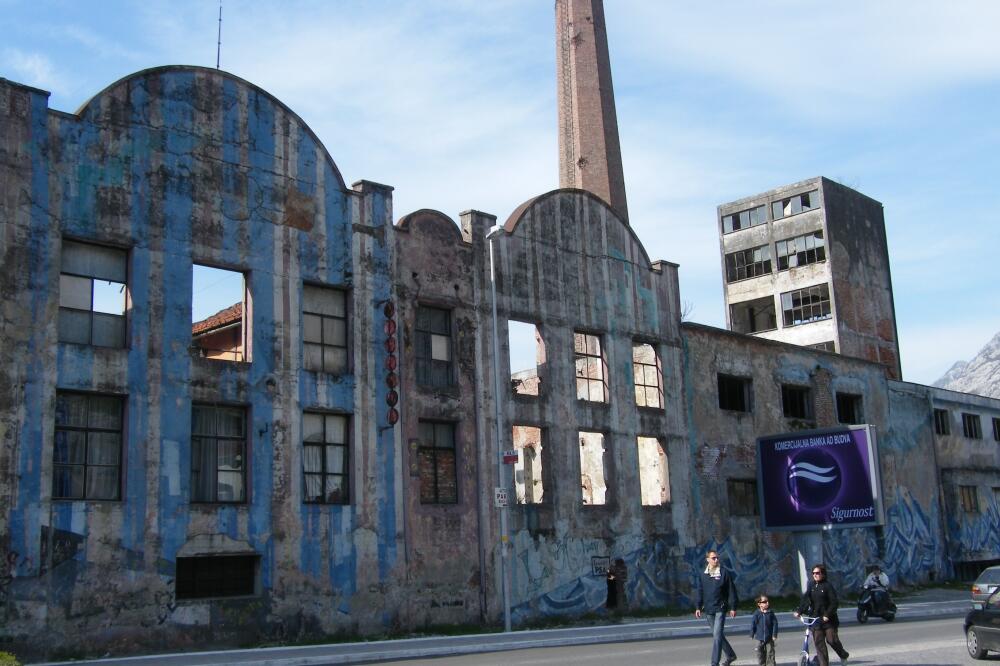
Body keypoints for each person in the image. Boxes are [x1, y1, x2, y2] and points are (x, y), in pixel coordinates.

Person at [794, 564, 850, 666]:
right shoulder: (811, 585)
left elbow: (834, 603)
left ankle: (843, 655)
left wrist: (827, 614)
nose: (815, 575)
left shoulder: (828, 586)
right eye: (813, 573)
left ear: (823, 574)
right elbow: (806, 599)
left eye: (817, 573)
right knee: (819, 645)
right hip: (815, 619)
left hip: (828, 620)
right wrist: (799, 611)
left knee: (832, 640)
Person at [695, 550, 739, 666]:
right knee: (717, 635)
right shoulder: (703, 574)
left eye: (717, 558)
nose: (716, 560)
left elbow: (731, 590)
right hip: (708, 609)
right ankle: (730, 655)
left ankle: (714, 663)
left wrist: (733, 607)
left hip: (720, 608)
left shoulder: (724, 573)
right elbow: (700, 591)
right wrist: (698, 607)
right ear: (707, 559)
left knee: (717, 636)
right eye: (713, 558)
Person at [749, 594, 778, 666]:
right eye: (764, 602)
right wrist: (752, 634)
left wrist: (774, 635)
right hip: (759, 638)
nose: (767, 603)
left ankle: (770, 664)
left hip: (769, 637)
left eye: (767, 601)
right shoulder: (757, 613)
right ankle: (762, 664)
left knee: (770, 653)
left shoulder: (770, 613)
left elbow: (775, 624)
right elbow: (753, 624)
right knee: (760, 653)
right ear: (759, 604)